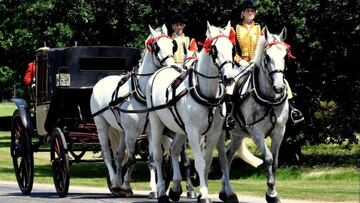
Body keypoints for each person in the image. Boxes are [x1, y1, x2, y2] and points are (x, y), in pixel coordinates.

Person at [234, 0, 304, 124]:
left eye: (252, 11)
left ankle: (293, 110)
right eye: (247, 11)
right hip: (242, 64)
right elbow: (232, 51)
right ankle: (230, 115)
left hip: (257, 63)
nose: (250, 12)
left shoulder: (261, 29)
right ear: (242, 13)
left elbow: (266, 48)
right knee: (230, 86)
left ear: (255, 14)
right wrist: (240, 61)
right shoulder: (236, 29)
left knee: (283, 81)